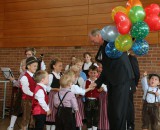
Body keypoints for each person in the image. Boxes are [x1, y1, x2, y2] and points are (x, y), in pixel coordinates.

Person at [89, 28, 134, 130]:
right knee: (112, 111)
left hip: (121, 80)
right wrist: (97, 83)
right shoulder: (104, 46)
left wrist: (97, 82)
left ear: (98, 36)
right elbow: (107, 68)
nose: (92, 43)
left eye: (93, 40)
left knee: (118, 111)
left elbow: (107, 68)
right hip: (113, 81)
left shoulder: (112, 44)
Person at [83, 65, 106, 130]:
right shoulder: (85, 82)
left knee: (96, 117)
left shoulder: (100, 82)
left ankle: (95, 128)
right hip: (88, 101)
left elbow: (104, 89)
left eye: (94, 73)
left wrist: (102, 88)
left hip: (96, 101)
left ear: (97, 73)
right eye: (91, 72)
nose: (93, 74)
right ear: (88, 73)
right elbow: (82, 91)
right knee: (88, 117)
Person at [20, 56, 38, 130]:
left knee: (33, 119)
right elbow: (25, 90)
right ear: (28, 66)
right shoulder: (25, 77)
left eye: (36, 66)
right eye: (34, 66)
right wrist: (35, 95)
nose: (36, 67)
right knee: (26, 118)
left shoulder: (35, 76)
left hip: (34, 100)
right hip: (27, 101)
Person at [7, 59, 26, 130]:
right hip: (25, 93)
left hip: (22, 92)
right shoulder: (25, 73)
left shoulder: (23, 73)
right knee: (25, 110)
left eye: (22, 65)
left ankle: (11, 126)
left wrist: (13, 80)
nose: (21, 67)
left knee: (16, 109)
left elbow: (18, 84)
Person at [46, 58, 63, 130]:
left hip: (58, 97)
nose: (61, 67)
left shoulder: (61, 75)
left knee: (55, 115)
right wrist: (54, 89)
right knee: (50, 114)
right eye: (59, 66)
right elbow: (46, 87)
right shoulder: (50, 76)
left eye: (61, 66)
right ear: (54, 66)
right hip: (51, 96)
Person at [127, 53, 140, 130]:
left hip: (129, 85)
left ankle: (130, 125)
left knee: (129, 106)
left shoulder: (132, 58)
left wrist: (134, 84)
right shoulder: (117, 57)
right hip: (119, 86)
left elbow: (137, 73)